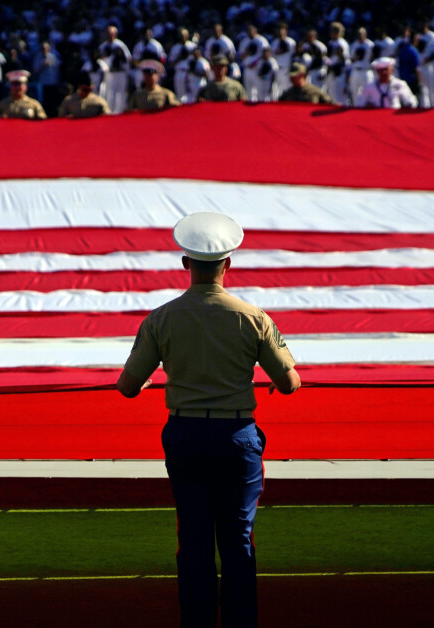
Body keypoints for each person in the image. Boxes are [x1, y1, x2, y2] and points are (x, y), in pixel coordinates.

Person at [116, 212, 300, 628]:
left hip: (186, 434)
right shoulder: (254, 317)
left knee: (194, 539)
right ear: (228, 264)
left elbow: (128, 386)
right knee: (237, 539)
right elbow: (289, 382)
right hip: (237, 435)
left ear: (186, 264)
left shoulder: (162, 318)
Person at [98, 25, 131, 114]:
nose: (110, 35)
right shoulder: (103, 46)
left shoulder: (120, 45)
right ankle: (109, 112)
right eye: (108, 34)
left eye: (112, 33)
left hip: (120, 72)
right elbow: (99, 59)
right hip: (109, 73)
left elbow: (128, 59)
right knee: (108, 93)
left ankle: (120, 112)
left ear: (115, 34)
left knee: (120, 93)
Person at [322, 22, 349, 104]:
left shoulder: (342, 43)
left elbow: (343, 60)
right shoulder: (331, 42)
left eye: (334, 31)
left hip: (339, 72)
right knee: (331, 94)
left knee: (340, 96)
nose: (332, 33)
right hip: (331, 71)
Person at [348, 27, 375, 105]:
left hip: (366, 70)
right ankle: (356, 107)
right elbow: (351, 59)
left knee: (368, 91)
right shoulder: (354, 45)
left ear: (365, 34)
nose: (359, 36)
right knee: (354, 91)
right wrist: (356, 57)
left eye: (361, 34)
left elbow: (372, 57)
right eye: (358, 34)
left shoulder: (370, 44)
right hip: (356, 70)